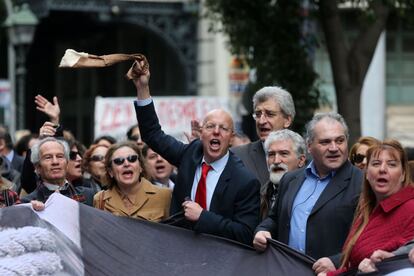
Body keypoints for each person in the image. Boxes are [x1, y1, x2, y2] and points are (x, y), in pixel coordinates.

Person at [132, 59, 260, 245]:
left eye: (223, 128)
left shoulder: (245, 181)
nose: (216, 131)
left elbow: (245, 234)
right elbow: (152, 134)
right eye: (210, 126)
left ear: (231, 138)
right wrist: (142, 87)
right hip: (179, 255)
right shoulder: (190, 154)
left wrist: (203, 217)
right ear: (201, 134)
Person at [253, 112, 363, 263]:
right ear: (309, 145)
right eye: (325, 142)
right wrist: (263, 230)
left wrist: (337, 262)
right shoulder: (290, 179)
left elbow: (367, 238)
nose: (334, 148)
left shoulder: (362, 183)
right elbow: (275, 218)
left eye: (340, 141)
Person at [315, 139, 414, 275]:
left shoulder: (410, 209)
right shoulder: (365, 211)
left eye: (391, 164)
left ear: (403, 174)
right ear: (366, 173)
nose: (382, 169)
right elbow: (355, 262)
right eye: (376, 163)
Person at [231, 86, 295, 186]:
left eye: (269, 114)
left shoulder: (308, 157)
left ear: (287, 120)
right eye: (258, 114)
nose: (261, 121)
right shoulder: (237, 156)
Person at [93, 142, 171, 221]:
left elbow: (172, 232)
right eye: (119, 161)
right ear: (110, 171)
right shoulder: (100, 199)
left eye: (132, 159)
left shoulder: (164, 196)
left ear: (140, 167)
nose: (126, 164)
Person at [22, 137, 94, 205]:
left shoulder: (88, 196)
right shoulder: (29, 203)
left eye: (60, 156)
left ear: (67, 163)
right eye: (48, 157)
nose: (55, 162)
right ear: (37, 167)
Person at [260, 129, 306, 220]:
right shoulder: (261, 193)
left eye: (284, 154)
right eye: (271, 154)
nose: (276, 161)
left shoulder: (308, 195)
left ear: (301, 161)